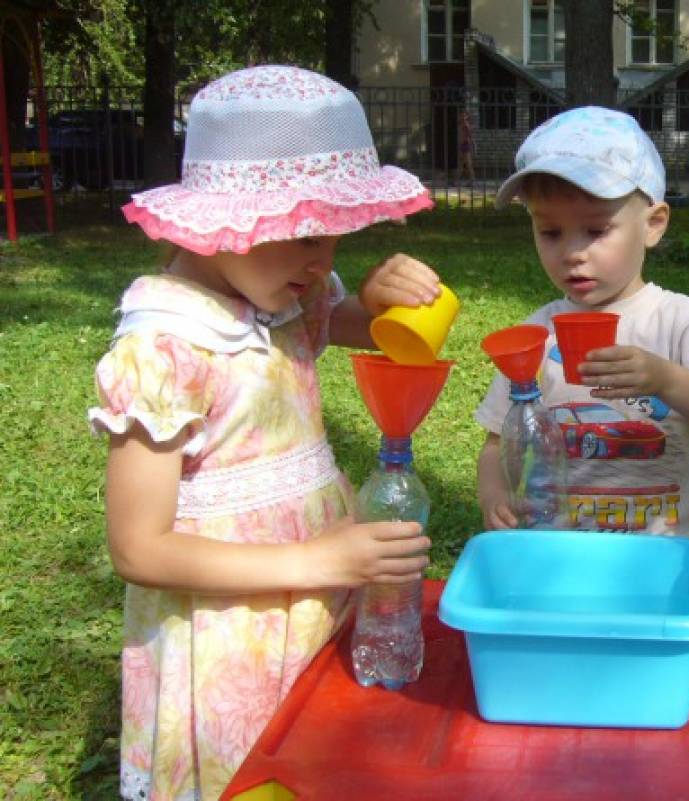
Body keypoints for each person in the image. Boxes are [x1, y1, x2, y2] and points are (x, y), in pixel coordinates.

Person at [89, 65, 447, 801]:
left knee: (318, 759)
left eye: (336, 238)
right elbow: (138, 546)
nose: (324, 263)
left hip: (313, 602)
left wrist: (382, 296)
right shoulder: (166, 346)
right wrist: (317, 559)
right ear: (225, 221)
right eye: (304, 237)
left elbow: (350, 322)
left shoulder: (282, 295)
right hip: (227, 638)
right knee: (252, 776)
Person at [476, 106, 689, 538]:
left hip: (662, 558)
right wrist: (494, 494)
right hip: (560, 555)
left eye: (596, 230)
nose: (572, 252)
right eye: (551, 233)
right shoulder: (536, 334)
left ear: (653, 225)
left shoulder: (679, 322)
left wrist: (665, 379)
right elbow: (497, 441)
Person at [457, 108, 476, 183]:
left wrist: (473, 145)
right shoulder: (461, 124)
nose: (461, 117)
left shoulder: (465, 124)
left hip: (465, 145)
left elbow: (469, 135)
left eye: (463, 115)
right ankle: (457, 180)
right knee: (461, 163)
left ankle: (472, 180)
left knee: (467, 164)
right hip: (462, 145)